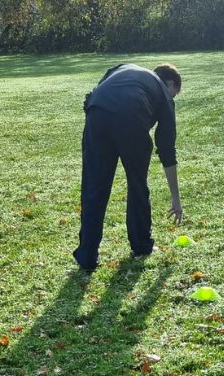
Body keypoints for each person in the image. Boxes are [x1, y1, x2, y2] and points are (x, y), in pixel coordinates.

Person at [73, 63, 183, 273]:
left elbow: (99, 89)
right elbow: (167, 150)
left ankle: (87, 255)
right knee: (137, 183)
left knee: (94, 187)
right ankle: (141, 245)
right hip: (132, 114)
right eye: (174, 94)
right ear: (170, 83)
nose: (172, 99)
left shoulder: (123, 68)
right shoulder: (162, 92)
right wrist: (175, 199)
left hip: (97, 112)